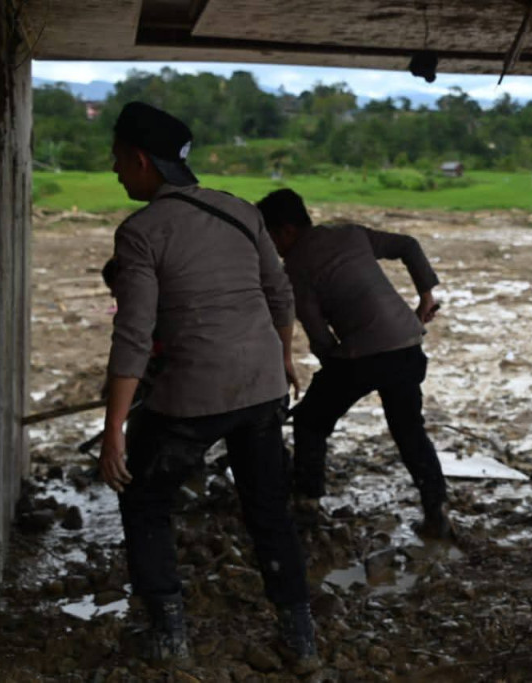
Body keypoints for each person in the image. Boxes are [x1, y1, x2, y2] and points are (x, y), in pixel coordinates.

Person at [98, 101, 317, 670]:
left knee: (144, 498)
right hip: (262, 385)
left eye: (120, 160)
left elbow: (133, 335)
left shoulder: (141, 231)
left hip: (192, 395)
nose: (116, 171)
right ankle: (300, 639)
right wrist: (285, 359)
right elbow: (280, 294)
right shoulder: (241, 212)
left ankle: (169, 635)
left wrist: (113, 430)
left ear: (143, 161)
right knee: (269, 508)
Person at [255, 188, 451, 539]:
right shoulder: (349, 233)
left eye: (268, 236)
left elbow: (319, 335)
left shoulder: (295, 267)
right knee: (409, 430)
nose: (269, 247)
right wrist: (426, 296)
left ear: (284, 231)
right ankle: (436, 508)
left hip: (363, 355)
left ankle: (308, 506)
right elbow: (407, 245)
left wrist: (332, 369)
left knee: (312, 423)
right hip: (408, 344)